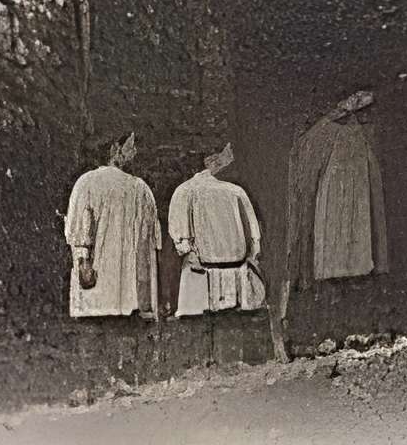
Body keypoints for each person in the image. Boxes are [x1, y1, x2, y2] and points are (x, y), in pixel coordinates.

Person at [279, 87, 390, 342]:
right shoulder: (322, 132)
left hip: (360, 205)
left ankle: (359, 326)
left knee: (360, 267)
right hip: (332, 206)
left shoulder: (365, 133)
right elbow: (306, 166)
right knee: (333, 269)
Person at [63, 130, 162, 396]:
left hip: (120, 271)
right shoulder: (90, 183)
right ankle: (93, 383)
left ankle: (116, 380)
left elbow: (148, 235)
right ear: (114, 149)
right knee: (100, 322)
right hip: (101, 268)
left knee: (112, 322)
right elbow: (81, 227)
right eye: (130, 146)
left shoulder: (138, 188)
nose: (135, 152)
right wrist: (84, 260)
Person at [165, 140, 266, 365]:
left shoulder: (188, 191)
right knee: (223, 317)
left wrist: (188, 251)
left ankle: (215, 359)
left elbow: (180, 233)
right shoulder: (229, 191)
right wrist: (252, 254)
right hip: (216, 266)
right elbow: (253, 234)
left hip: (210, 266)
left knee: (211, 318)